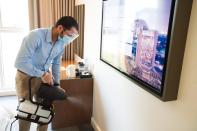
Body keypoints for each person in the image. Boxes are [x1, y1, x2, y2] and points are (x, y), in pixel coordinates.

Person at [14, 16, 79, 131]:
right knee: (26, 111)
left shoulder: (60, 44)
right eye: (70, 35)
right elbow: (20, 62)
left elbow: (56, 64)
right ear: (60, 28)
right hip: (25, 77)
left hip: (43, 77)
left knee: (45, 109)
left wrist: (57, 85)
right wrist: (42, 75)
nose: (70, 39)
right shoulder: (35, 36)